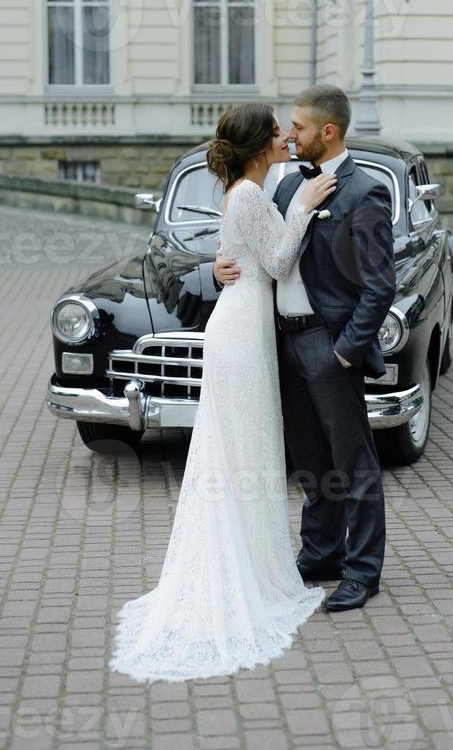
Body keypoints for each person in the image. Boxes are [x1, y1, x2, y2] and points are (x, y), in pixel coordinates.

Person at [108, 103, 336, 684]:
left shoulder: (248, 190)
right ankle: (243, 575)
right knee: (241, 451)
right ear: (261, 147)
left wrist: (224, 259)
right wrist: (307, 210)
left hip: (244, 326)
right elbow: (281, 261)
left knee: (247, 450)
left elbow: (243, 253)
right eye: (278, 133)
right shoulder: (250, 195)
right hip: (240, 336)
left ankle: (256, 564)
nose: (288, 137)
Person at [214, 85, 395, 613]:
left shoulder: (365, 192)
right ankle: (320, 554)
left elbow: (379, 286)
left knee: (354, 465)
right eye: (286, 127)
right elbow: (257, 245)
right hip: (279, 340)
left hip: (328, 344)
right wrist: (217, 265)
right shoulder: (286, 185)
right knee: (312, 464)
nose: (290, 134)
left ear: (328, 131)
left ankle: (362, 572)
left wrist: (346, 351)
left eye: (298, 127)